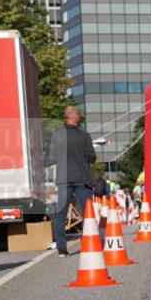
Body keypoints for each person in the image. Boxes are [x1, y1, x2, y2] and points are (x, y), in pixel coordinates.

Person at [49, 105, 97, 258]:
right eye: (79, 115)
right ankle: (89, 244)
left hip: (63, 179)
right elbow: (92, 157)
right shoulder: (84, 135)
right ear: (75, 116)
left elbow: (52, 158)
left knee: (61, 213)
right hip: (82, 179)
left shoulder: (57, 136)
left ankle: (61, 249)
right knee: (87, 212)